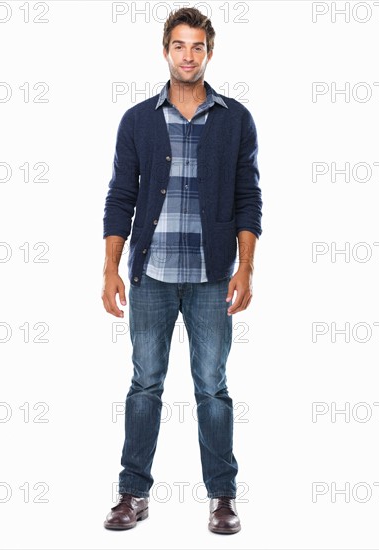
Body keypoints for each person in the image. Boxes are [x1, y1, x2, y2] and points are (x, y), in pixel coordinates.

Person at [101, 7, 262, 535]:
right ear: (165, 51)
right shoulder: (139, 120)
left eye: (197, 47)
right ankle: (133, 493)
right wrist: (110, 268)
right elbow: (121, 197)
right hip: (151, 276)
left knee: (212, 387)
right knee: (145, 383)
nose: (188, 56)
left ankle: (222, 497)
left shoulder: (235, 118)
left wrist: (246, 268)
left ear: (209, 53)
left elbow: (248, 198)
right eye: (179, 46)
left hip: (213, 276)